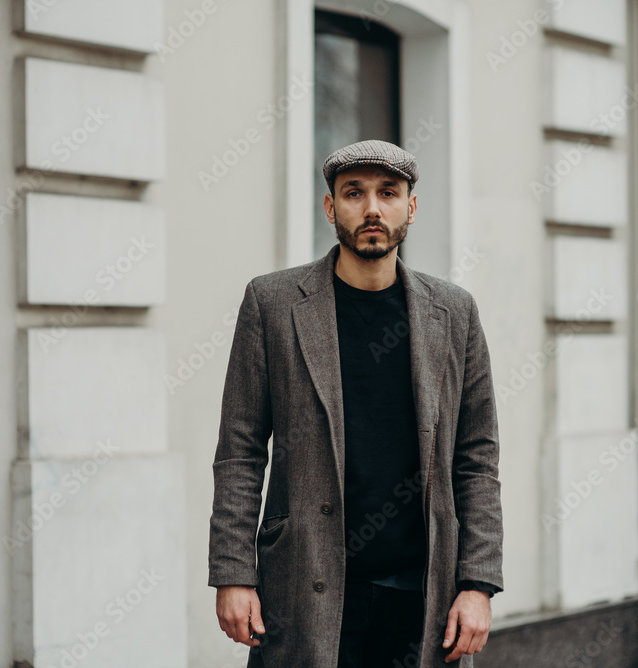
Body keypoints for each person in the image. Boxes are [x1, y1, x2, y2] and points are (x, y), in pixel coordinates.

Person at [209, 139, 504, 668]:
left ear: (411, 207)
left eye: (388, 193)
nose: (372, 208)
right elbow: (240, 450)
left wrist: (477, 582)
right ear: (330, 207)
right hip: (303, 588)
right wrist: (234, 573)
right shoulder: (272, 303)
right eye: (354, 193)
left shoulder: (454, 312)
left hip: (422, 596)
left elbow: (476, 457)